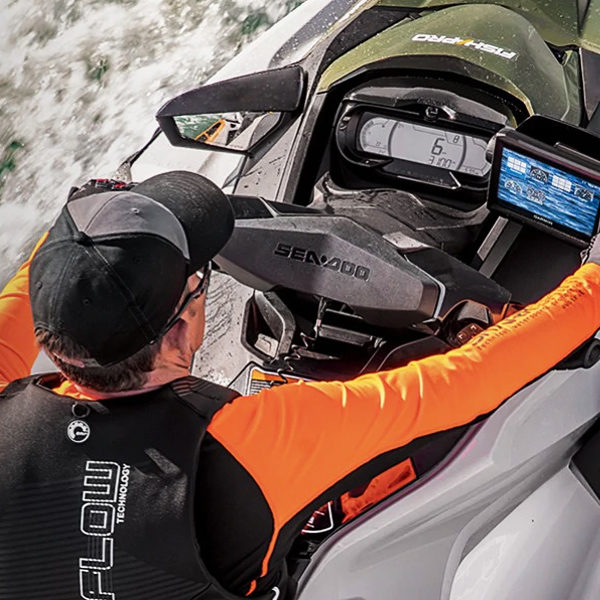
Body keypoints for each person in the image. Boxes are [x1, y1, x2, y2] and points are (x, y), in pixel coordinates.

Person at [1, 170, 600, 600]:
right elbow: (460, 383)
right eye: (200, 278)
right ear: (182, 327)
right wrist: (592, 281)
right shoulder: (243, 446)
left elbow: (29, 294)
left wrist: (91, 228)